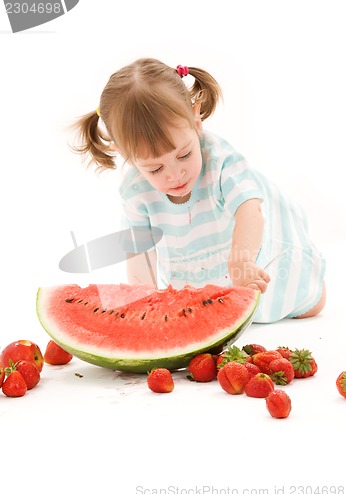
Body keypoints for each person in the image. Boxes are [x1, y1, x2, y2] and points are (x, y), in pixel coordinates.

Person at [71, 57, 326, 323]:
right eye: (155, 169)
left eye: (184, 155)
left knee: (309, 304)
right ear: (125, 155)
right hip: (195, 273)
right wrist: (143, 310)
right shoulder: (134, 191)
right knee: (210, 317)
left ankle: (306, 284)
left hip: (248, 255)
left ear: (196, 120)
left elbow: (249, 209)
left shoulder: (220, 160)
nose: (174, 174)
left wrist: (243, 262)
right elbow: (140, 255)